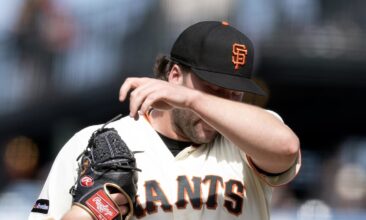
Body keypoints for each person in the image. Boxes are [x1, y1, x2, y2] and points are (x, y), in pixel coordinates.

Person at [29, 21, 301, 220]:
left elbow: (286, 148)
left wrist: (192, 99)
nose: (224, 103)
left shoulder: (246, 139)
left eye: (234, 94)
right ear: (174, 75)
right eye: (212, 88)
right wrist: (91, 211)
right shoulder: (97, 141)